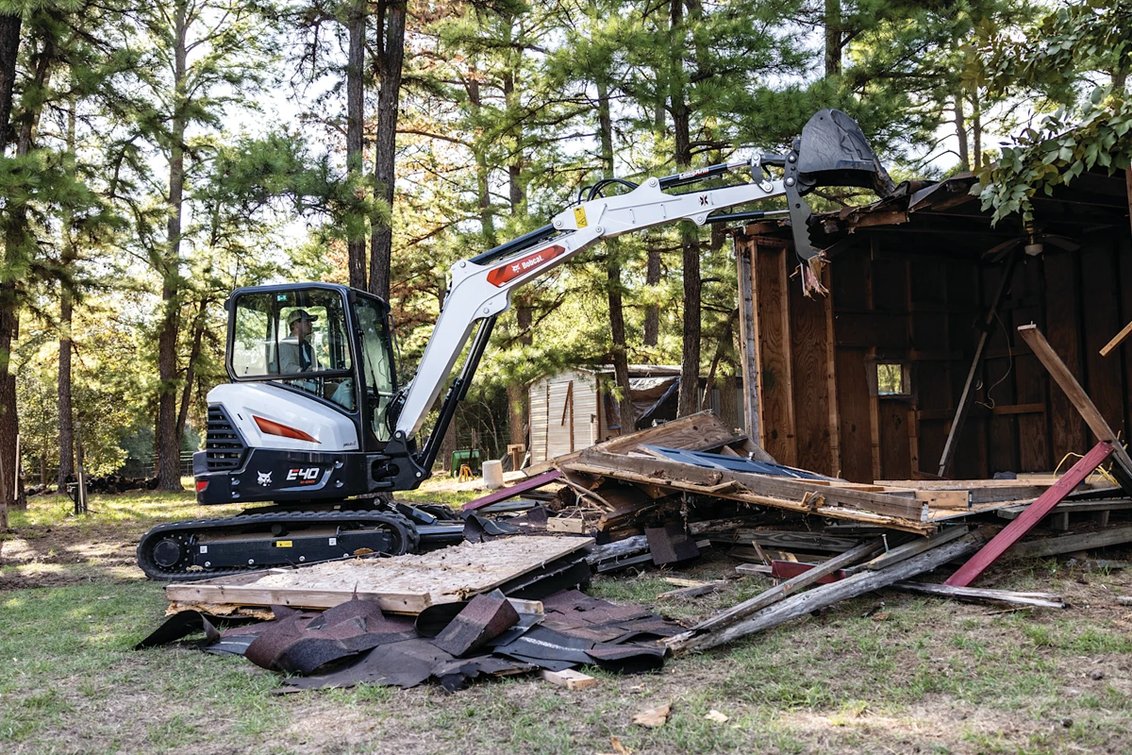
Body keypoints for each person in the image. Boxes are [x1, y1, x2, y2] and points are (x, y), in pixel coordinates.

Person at [278, 309, 319, 375]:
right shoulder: (286, 345)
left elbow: (317, 367)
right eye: (307, 321)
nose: (311, 324)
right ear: (296, 324)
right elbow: (288, 368)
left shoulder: (308, 347)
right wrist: (305, 372)